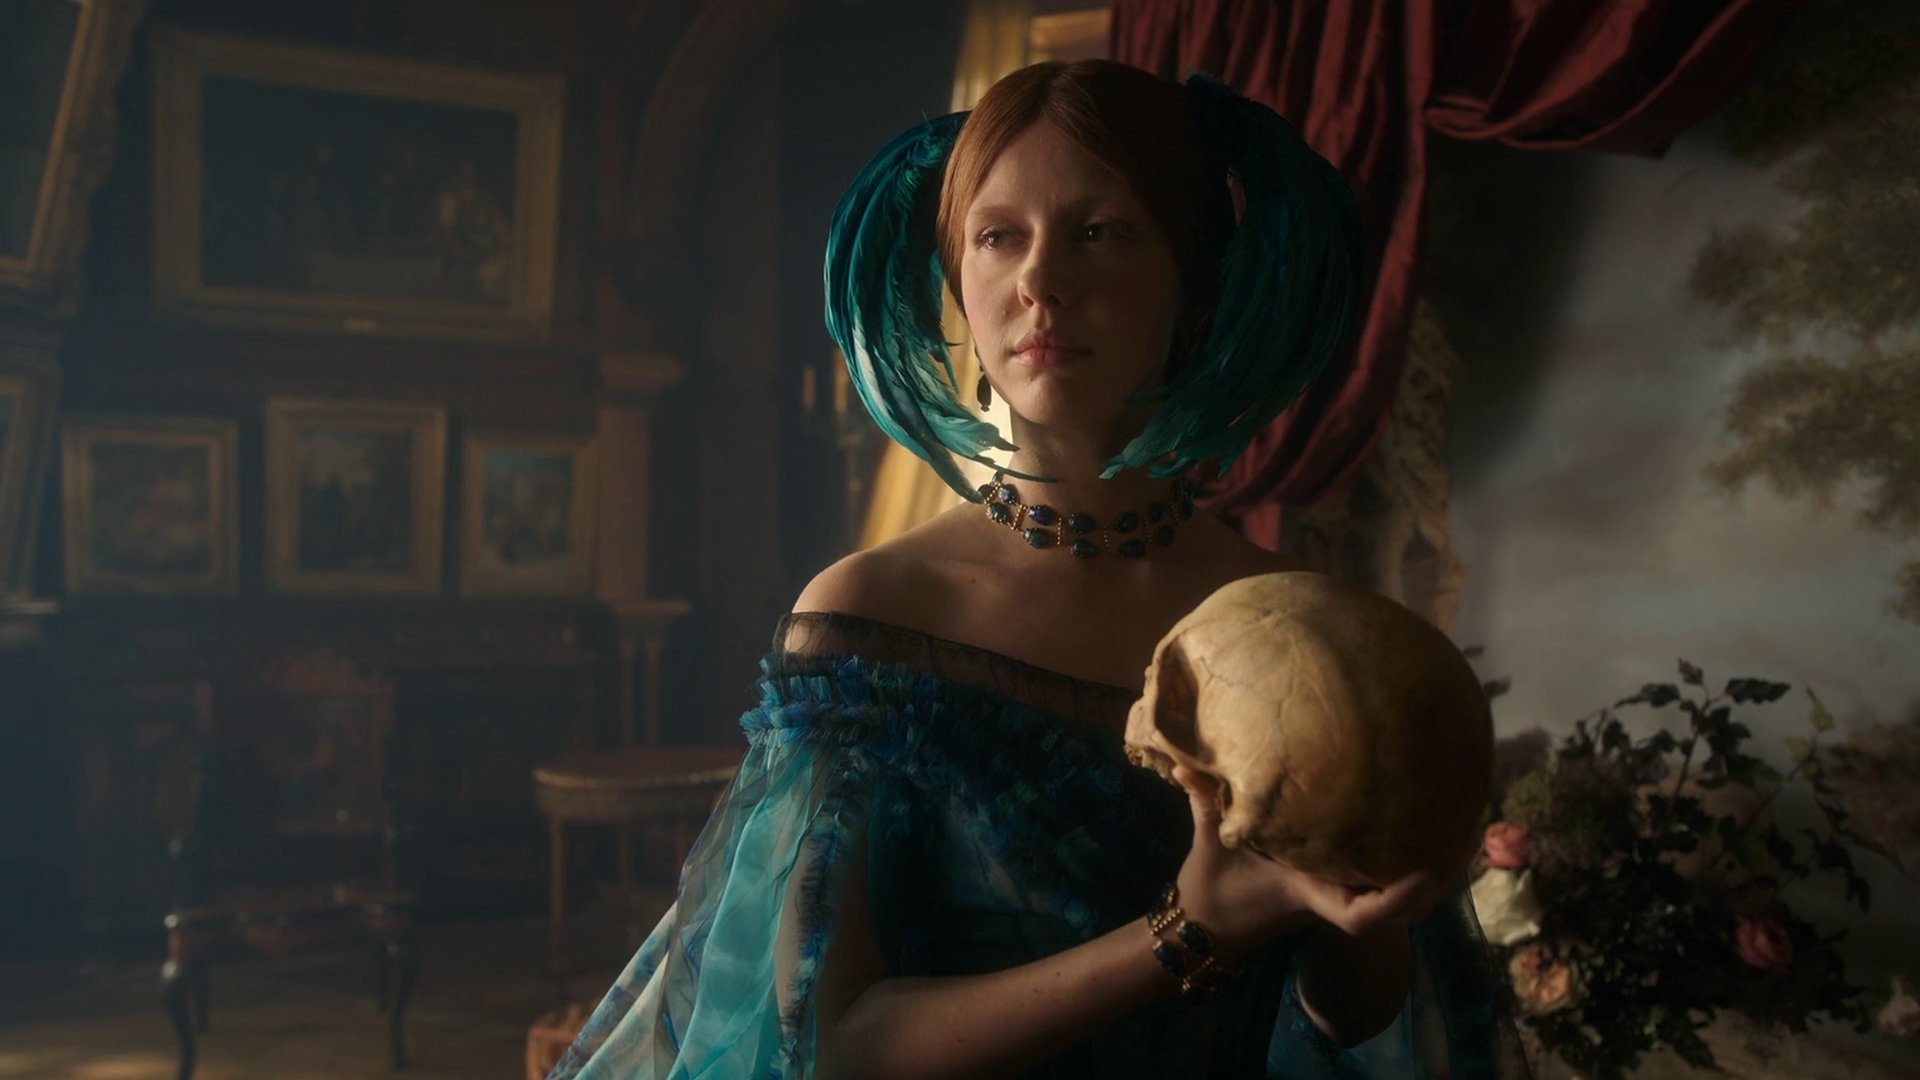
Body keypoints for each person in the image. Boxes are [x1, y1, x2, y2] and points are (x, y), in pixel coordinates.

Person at [549, 59, 1527, 1079]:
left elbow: (1349, 1016)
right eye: (998, 235)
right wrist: (1183, 933)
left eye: (1101, 232)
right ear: (957, 284)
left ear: (1195, 286)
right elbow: (830, 1049)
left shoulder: (1294, 619)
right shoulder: (873, 614)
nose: (1040, 282)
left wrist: (1369, 913)